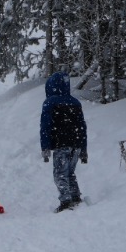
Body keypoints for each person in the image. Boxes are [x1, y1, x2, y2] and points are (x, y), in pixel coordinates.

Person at [40, 72, 89, 211]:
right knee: (70, 173)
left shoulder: (50, 103)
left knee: (60, 174)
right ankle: (75, 197)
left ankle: (66, 201)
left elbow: (45, 127)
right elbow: (82, 127)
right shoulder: (75, 102)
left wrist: (45, 147)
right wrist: (84, 149)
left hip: (61, 144)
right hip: (77, 145)